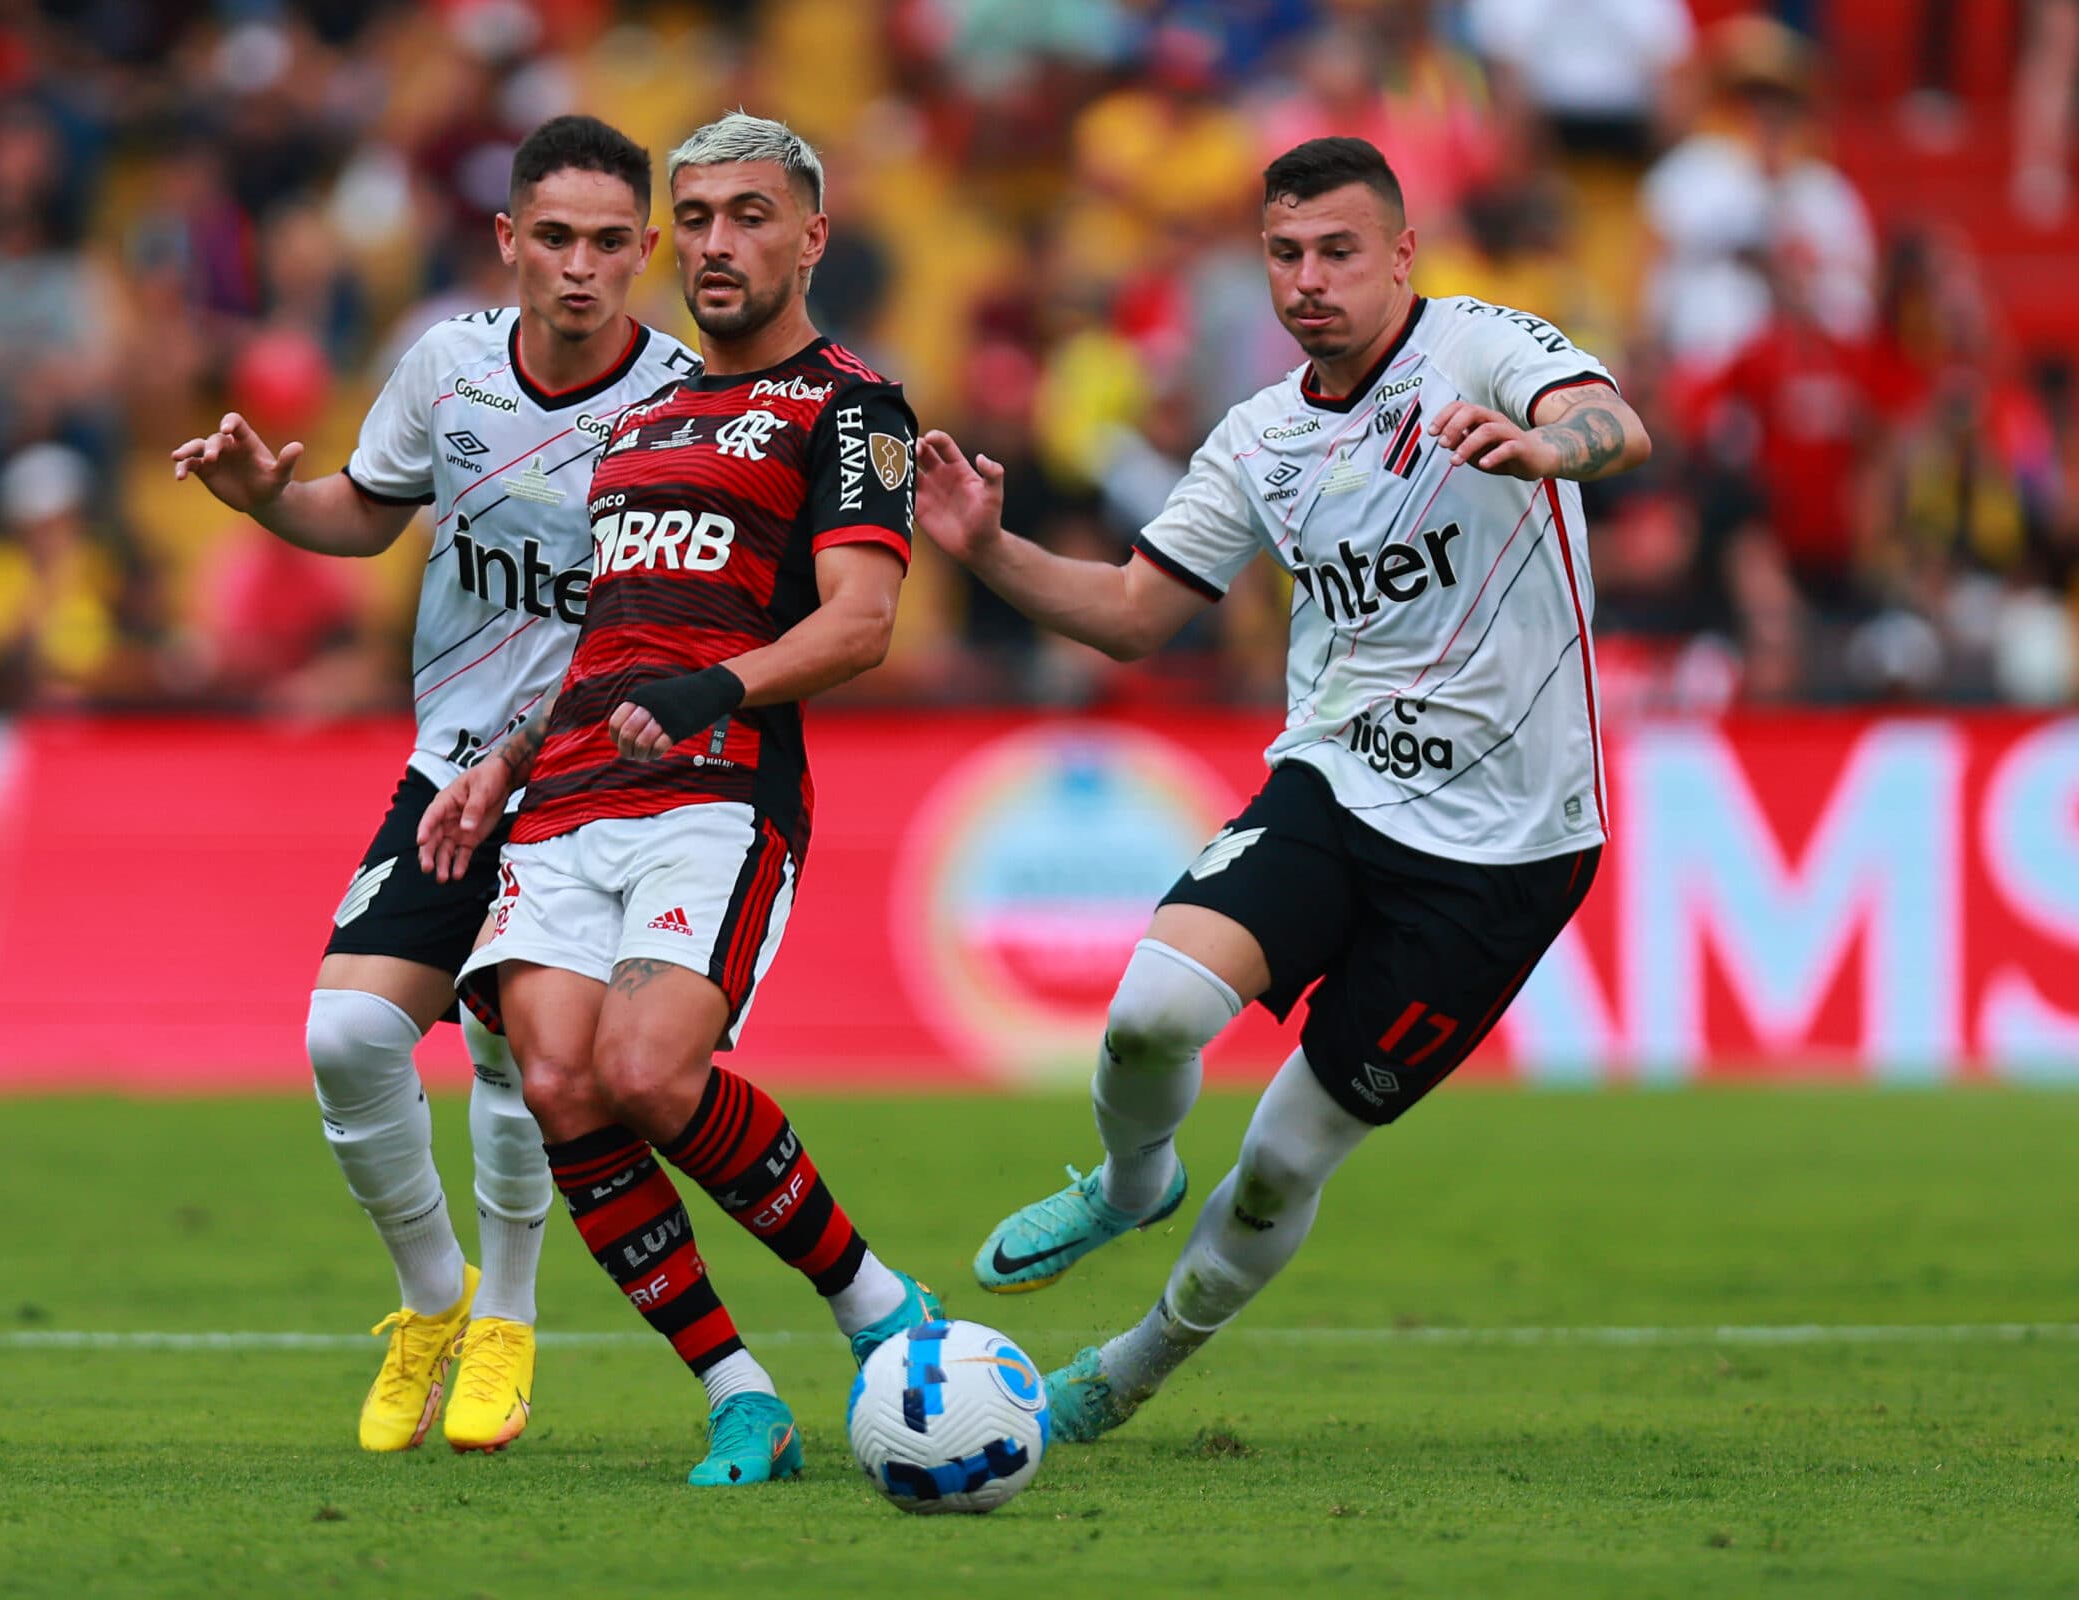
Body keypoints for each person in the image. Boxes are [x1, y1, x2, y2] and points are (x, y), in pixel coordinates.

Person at [912, 136, 1651, 1440]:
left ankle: (1133, 1368)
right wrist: (988, 550)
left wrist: (1550, 452)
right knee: (1147, 1016)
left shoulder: (1480, 349)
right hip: (1339, 782)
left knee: (1280, 1168)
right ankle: (1133, 1182)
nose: (1309, 281)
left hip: (1512, 852)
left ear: (1402, 253)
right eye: (1285, 255)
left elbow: (1612, 422)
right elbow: (1139, 614)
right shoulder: (1260, 437)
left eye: (1339, 252)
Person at [416, 111, 934, 1488]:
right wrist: (503, 760)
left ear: (811, 237)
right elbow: (607, 638)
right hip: (568, 795)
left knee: (649, 1072)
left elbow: (863, 621)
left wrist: (723, 690)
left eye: (748, 216)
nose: (715, 243)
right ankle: (737, 1393)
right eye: (695, 217)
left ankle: (881, 1310)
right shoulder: (639, 418)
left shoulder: (850, 405)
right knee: (555, 1084)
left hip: (715, 793)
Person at [171, 115, 697, 1455]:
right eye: (555, 239)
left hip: (594, 785)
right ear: (509, 242)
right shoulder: (448, 369)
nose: (580, 268)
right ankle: (433, 1297)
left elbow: (673, 632)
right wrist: (264, 504)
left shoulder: (686, 407)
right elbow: (363, 506)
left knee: (516, 1052)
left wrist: (535, 756)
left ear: (644, 252)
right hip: (451, 764)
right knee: (347, 1037)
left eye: (608, 244)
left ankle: (511, 1318)